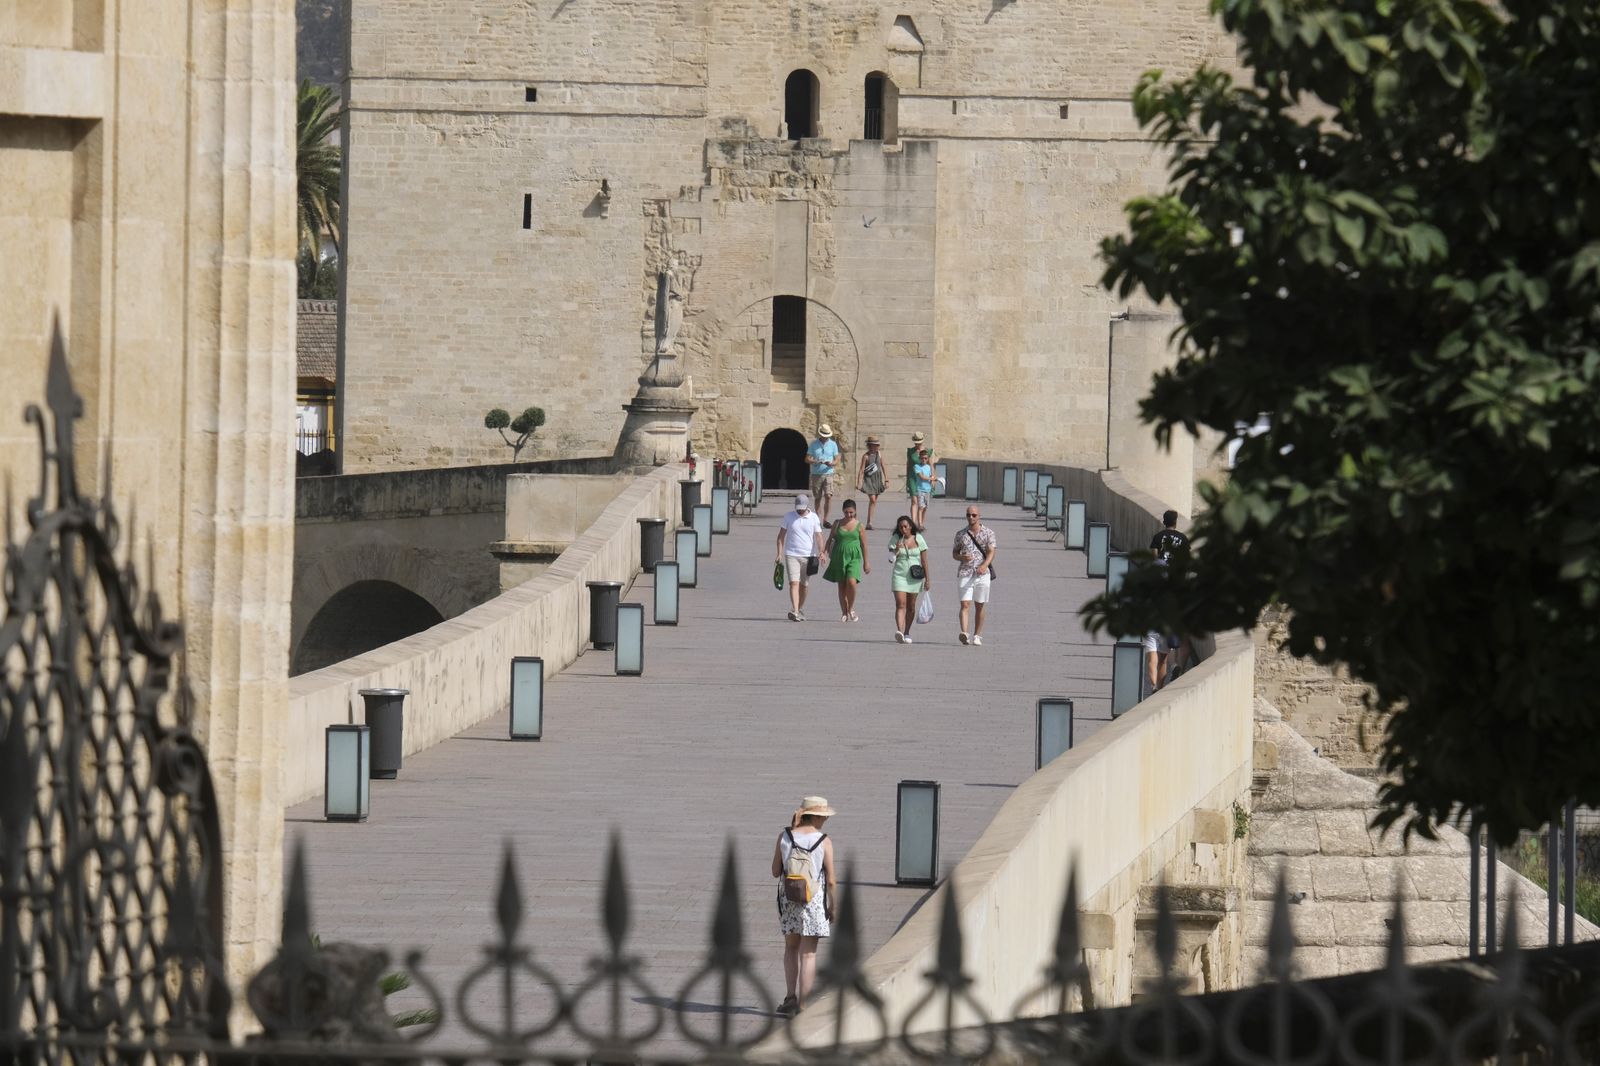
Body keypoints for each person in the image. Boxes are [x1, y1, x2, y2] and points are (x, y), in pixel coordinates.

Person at [771, 796, 837, 1017]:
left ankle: (790, 997)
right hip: (813, 900)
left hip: (789, 897)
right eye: (824, 817)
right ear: (817, 817)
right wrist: (833, 906)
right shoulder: (824, 841)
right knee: (808, 954)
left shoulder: (784, 836)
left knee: (790, 947)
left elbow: (774, 871)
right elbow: (831, 881)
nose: (825, 821)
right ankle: (804, 1006)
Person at [951, 505, 997, 646]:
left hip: (982, 574)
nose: (971, 517)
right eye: (968, 515)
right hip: (965, 572)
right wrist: (961, 557)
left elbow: (991, 552)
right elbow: (954, 553)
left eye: (974, 515)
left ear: (979, 516)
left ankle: (977, 635)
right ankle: (965, 633)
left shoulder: (988, 533)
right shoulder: (961, 534)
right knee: (965, 604)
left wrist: (984, 565)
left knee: (980, 605)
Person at [776, 494, 826, 621]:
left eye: (802, 508)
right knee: (794, 582)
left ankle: (799, 608)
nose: (800, 510)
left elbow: (819, 536)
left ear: (807, 506)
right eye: (798, 508)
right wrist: (779, 553)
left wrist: (821, 552)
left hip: (809, 556)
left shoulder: (813, 517)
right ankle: (796, 611)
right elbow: (781, 536)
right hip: (791, 554)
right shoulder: (789, 516)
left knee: (804, 585)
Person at [823, 499, 869, 622]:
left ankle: (851, 608)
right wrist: (823, 553)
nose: (848, 515)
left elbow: (864, 545)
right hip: (839, 556)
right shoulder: (837, 523)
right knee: (842, 585)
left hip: (854, 557)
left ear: (855, 511)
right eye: (846, 512)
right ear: (843, 511)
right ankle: (844, 612)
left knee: (852, 582)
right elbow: (830, 539)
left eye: (851, 512)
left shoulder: (860, 526)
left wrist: (866, 563)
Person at [888, 514, 930, 643]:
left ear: (910, 526)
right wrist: (896, 550)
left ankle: (907, 632)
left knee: (911, 606)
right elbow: (890, 558)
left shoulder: (919, 538)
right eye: (900, 527)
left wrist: (928, 579)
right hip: (899, 576)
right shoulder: (896, 539)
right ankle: (900, 631)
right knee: (901, 604)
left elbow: (924, 560)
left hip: (915, 577)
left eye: (905, 526)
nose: (903, 529)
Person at [806, 424, 842, 528]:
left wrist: (832, 463)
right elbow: (807, 458)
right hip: (816, 473)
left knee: (828, 496)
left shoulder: (833, 444)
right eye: (824, 435)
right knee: (817, 497)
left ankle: (825, 519)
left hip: (828, 472)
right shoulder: (814, 444)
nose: (825, 437)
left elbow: (837, 458)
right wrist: (815, 461)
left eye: (827, 435)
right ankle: (818, 519)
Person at [855, 435, 887, 530]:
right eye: (874, 445)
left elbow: (883, 467)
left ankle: (869, 522)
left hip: (877, 479)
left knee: (874, 501)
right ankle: (869, 522)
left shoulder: (879, 454)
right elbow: (861, 470)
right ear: (869, 445)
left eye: (876, 445)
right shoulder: (866, 456)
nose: (876, 447)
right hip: (869, 479)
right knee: (872, 499)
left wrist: (887, 479)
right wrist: (859, 482)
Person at [904, 432, 933, 527]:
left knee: (924, 504)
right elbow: (908, 465)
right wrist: (907, 479)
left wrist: (933, 479)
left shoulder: (927, 451)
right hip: (913, 478)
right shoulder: (911, 451)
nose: (917, 444)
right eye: (916, 442)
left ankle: (921, 522)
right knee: (914, 501)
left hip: (924, 480)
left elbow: (931, 466)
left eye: (919, 443)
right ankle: (913, 523)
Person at [911, 450, 935, 531]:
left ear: (927, 459)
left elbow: (932, 475)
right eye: (922, 458)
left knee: (925, 508)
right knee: (921, 507)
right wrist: (930, 478)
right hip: (920, 490)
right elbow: (921, 476)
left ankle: (922, 523)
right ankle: (920, 524)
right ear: (919, 458)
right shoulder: (917, 466)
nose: (924, 460)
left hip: (927, 490)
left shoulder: (928, 467)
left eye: (925, 458)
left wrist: (933, 480)